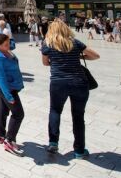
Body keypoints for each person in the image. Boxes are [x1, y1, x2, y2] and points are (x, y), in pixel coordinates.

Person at [41, 20, 100, 159]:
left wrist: (56, 61)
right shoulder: (75, 42)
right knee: (78, 116)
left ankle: (53, 142)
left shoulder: (47, 44)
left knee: (55, 110)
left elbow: (45, 63)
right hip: (79, 82)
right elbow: (95, 55)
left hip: (58, 82)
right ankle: (79, 150)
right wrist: (77, 56)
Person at [0, 33, 25, 156]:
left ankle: (0, 135)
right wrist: (9, 96)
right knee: (18, 113)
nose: (8, 45)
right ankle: (9, 141)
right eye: (5, 44)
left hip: (11, 86)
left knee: (3, 109)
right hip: (6, 87)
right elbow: (0, 77)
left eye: (8, 43)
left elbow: (12, 44)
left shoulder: (7, 50)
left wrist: (9, 38)